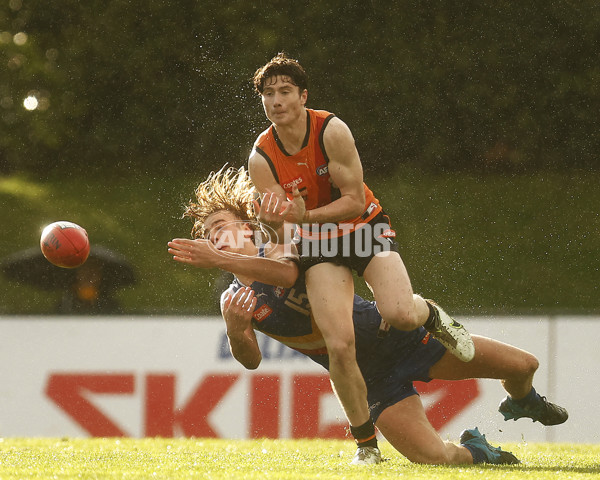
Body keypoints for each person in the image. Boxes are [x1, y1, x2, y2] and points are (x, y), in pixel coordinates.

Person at [167, 167, 568, 465]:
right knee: (436, 459)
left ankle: (524, 400)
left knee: (523, 365)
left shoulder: (276, 246)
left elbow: (288, 273)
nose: (214, 236)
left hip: (396, 335)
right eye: (207, 234)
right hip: (369, 377)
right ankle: (478, 451)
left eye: (220, 226)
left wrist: (221, 256)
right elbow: (250, 361)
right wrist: (238, 331)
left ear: (249, 229)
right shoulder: (233, 299)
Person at [246, 52, 474, 462]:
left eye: (284, 92)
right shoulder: (261, 157)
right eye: (268, 94)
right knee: (340, 345)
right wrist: (272, 224)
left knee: (402, 314)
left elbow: (352, 201)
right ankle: (366, 447)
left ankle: (433, 315)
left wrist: (305, 216)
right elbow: (280, 230)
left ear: (303, 96)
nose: (276, 101)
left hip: (362, 227)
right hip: (316, 244)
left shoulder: (331, 130)